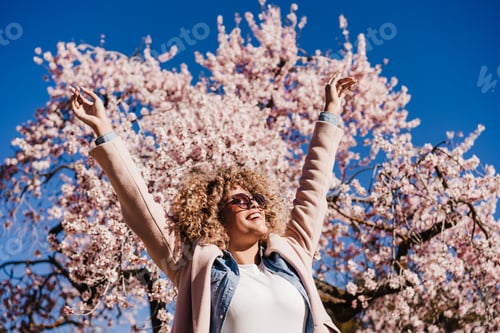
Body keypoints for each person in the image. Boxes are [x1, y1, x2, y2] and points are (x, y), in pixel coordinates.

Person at [70, 74, 356, 333]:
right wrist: (104, 131)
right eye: (240, 201)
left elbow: (313, 190)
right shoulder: (195, 265)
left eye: (256, 199)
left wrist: (330, 115)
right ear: (216, 216)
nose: (253, 205)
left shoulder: (292, 255)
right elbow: (142, 207)